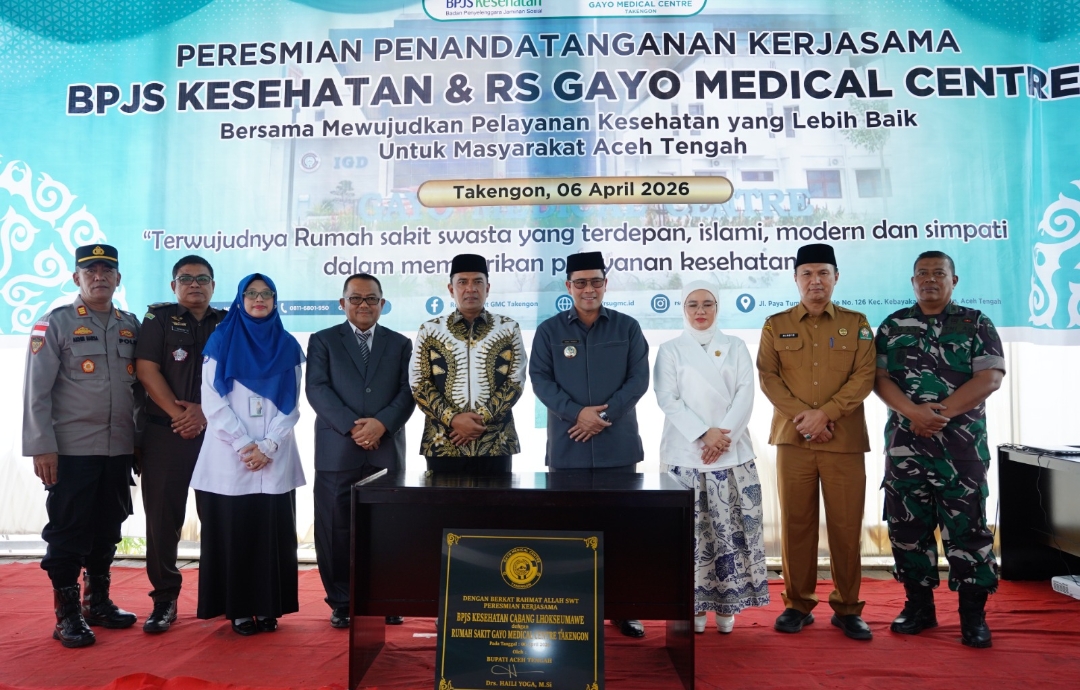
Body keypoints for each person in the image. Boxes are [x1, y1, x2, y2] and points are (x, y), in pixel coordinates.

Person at [873, 251, 1005, 648]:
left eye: (938, 274)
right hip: (905, 448)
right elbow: (879, 379)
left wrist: (937, 414)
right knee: (907, 530)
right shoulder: (893, 325)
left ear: (954, 280)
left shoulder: (976, 323)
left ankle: (972, 617)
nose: (930, 280)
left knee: (968, 533)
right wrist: (913, 412)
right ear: (913, 281)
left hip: (960, 450)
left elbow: (990, 377)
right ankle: (919, 608)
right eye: (922, 274)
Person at [23, 243, 142, 648]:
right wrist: (42, 447)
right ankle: (67, 615)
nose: (99, 277)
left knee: (109, 527)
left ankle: (98, 602)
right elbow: (35, 393)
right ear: (76, 278)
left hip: (118, 448)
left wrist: (140, 443)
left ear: (118, 279)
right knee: (68, 532)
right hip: (71, 450)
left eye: (107, 270)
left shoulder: (130, 325)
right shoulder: (54, 324)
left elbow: (140, 391)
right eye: (90, 271)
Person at [756, 243, 876, 641]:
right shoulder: (775, 325)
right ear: (795, 279)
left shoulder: (857, 323)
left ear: (836, 277)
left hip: (843, 441)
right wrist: (807, 421)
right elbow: (769, 378)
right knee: (796, 524)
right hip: (794, 441)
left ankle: (847, 607)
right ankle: (797, 604)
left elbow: (864, 376)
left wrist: (826, 414)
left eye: (823, 273)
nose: (815, 281)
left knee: (845, 526)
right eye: (807, 273)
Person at [529, 250, 650, 638]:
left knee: (622, 532)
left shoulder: (627, 328)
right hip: (569, 447)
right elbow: (540, 380)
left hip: (618, 449)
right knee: (568, 532)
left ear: (605, 283)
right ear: (568, 287)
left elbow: (638, 380)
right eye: (580, 282)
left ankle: (622, 609)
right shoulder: (548, 331)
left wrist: (603, 416)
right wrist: (575, 413)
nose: (588, 289)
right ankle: (568, 609)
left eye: (595, 281)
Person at [189, 274, 306, 636]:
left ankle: (269, 608)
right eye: (251, 294)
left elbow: (292, 406)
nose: (259, 299)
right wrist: (244, 444)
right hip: (229, 457)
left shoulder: (286, 345)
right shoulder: (221, 340)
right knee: (234, 533)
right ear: (240, 299)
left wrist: (268, 445)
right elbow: (212, 400)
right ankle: (238, 610)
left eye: (266, 294)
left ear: (275, 299)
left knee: (272, 536)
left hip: (275, 456)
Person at [654, 280, 769, 634]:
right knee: (691, 536)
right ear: (683, 309)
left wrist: (721, 437)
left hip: (731, 455)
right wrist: (705, 433)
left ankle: (728, 606)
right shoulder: (670, 349)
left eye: (707, 304)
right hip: (686, 454)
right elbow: (667, 397)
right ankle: (694, 607)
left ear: (718, 308)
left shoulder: (735, 346)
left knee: (729, 534)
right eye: (692, 305)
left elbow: (746, 395)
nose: (700, 311)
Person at [306, 273, 415, 629]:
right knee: (335, 528)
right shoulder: (322, 341)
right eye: (356, 299)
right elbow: (317, 390)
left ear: (382, 304)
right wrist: (355, 427)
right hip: (338, 448)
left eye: (371, 299)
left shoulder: (400, 344)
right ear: (343, 303)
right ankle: (342, 601)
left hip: (385, 448)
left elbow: (407, 392)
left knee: (388, 529)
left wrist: (381, 425)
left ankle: (387, 597)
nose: (364, 305)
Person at [135, 255, 225, 633]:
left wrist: (204, 413)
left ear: (213, 286)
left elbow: (238, 374)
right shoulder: (157, 319)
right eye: (185, 279)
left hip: (218, 435)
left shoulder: (228, 322)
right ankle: (165, 599)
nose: (194, 285)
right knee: (162, 519)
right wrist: (179, 413)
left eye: (202, 279)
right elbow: (145, 368)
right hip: (164, 433)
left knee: (219, 518)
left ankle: (223, 597)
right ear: (173, 286)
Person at [409, 254, 526, 473]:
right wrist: (453, 420)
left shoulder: (508, 328)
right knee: (444, 508)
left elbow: (515, 382)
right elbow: (419, 383)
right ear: (451, 289)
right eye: (462, 282)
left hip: (495, 442)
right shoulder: (430, 330)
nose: (470, 288)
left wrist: (477, 421)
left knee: (497, 506)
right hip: (444, 442)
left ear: (488, 288)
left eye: (477, 282)